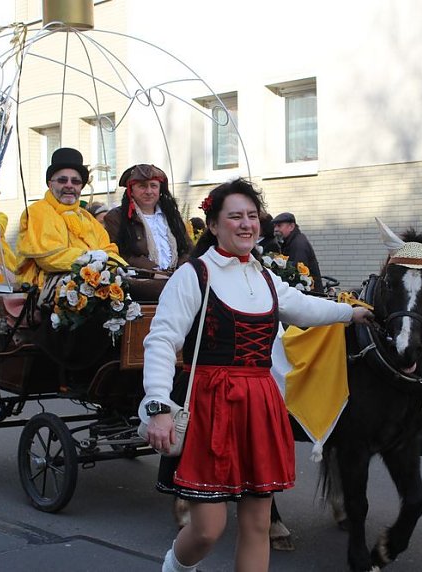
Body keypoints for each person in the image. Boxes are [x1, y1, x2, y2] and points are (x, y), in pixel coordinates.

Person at [140, 178, 372, 572]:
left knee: (258, 523)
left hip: (260, 403)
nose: (246, 224)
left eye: (252, 216)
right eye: (235, 216)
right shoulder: (194, 275)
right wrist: (159, 403)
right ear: (213, 225)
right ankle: (176, 567)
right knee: (208, 529)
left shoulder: (263, 275)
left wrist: (350, 312)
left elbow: (302, 307)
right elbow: (161, 340)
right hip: (210, 403)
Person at [15, 147, 124, 289]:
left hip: (92, 284)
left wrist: (121, 266)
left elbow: (108, 250)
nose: (69, 185)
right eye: (62, 180)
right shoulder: (37, 211)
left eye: (75, 182)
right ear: (50, 184)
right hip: (45, 289)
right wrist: (88, 257)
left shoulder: (87, 217)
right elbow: (49, 258)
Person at [103, 164, 192, 273]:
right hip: (142, 283)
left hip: (178, 278)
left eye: (153, 186)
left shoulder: (171, 215)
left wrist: (180, 270)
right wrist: (154, 272)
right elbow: (122, 254)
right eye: (142, 186)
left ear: (160, 190)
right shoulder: (117, 217)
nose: (149, 191)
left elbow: (188, 249)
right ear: (131, 190)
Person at [272, 211, 324, 292]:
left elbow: (296, 273)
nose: (275, 229)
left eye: (279, 226)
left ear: (291, 227)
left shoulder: (298, 244)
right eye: (274, 226)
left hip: (310, 294)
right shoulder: (291, 241)